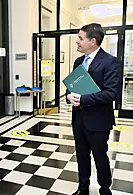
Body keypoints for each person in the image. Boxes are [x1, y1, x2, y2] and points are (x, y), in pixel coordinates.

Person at [66, 23, 119, 195]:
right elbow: (71, 86)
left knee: (100, 157)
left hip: (98, 121)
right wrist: (68, 95)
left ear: (93, 41)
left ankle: (105, 190)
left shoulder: (110, 62)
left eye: (81, 38)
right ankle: (83, 189)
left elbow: (111, 93)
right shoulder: (78, 61)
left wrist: (82, 99)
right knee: (81, 156)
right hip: (79, 120)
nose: (77, 41)